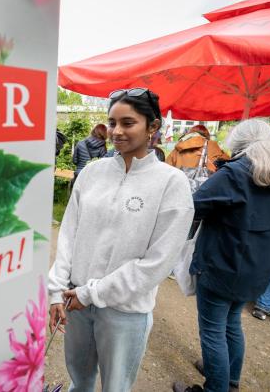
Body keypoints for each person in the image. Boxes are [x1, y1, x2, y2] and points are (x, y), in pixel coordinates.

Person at [48, 88, 194, 392]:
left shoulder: (171, 184)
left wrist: (93, 293)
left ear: (153, 127)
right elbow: (69, 234)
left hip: (125, 312)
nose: (116, 131)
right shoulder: (92, 173)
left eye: (128, 123)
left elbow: (157, 263)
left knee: (116, 386)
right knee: (80, 380)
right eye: (112, 123)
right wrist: (57, 289)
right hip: (75, 302)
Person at [173, 119, 270, 392]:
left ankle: (215, 387)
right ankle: (229, 379)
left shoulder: (235, 173)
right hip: (260, 268)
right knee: (231, 322)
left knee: (212, 330)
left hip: (222, 265)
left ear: (239, 143)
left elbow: (193, 206)